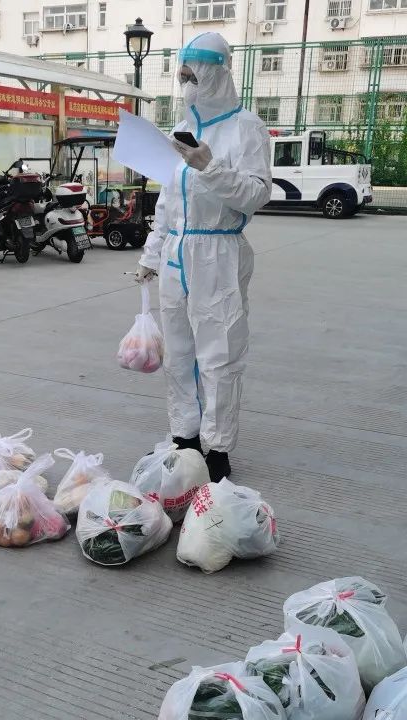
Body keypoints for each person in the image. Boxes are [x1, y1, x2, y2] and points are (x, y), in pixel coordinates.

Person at [136, 31, 272, 483]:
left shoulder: (245, 127)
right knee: (179, 352)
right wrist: (152, 254)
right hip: (178, 250)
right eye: (182, 76)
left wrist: (210, 167)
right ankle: (185, 436)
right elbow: (168, 201)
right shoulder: (183, 126)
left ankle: (217, 446)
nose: (187, 84)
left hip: (219, 250)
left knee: (219, 354)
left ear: (216, 74)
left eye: (193, 75)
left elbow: (255, 194)